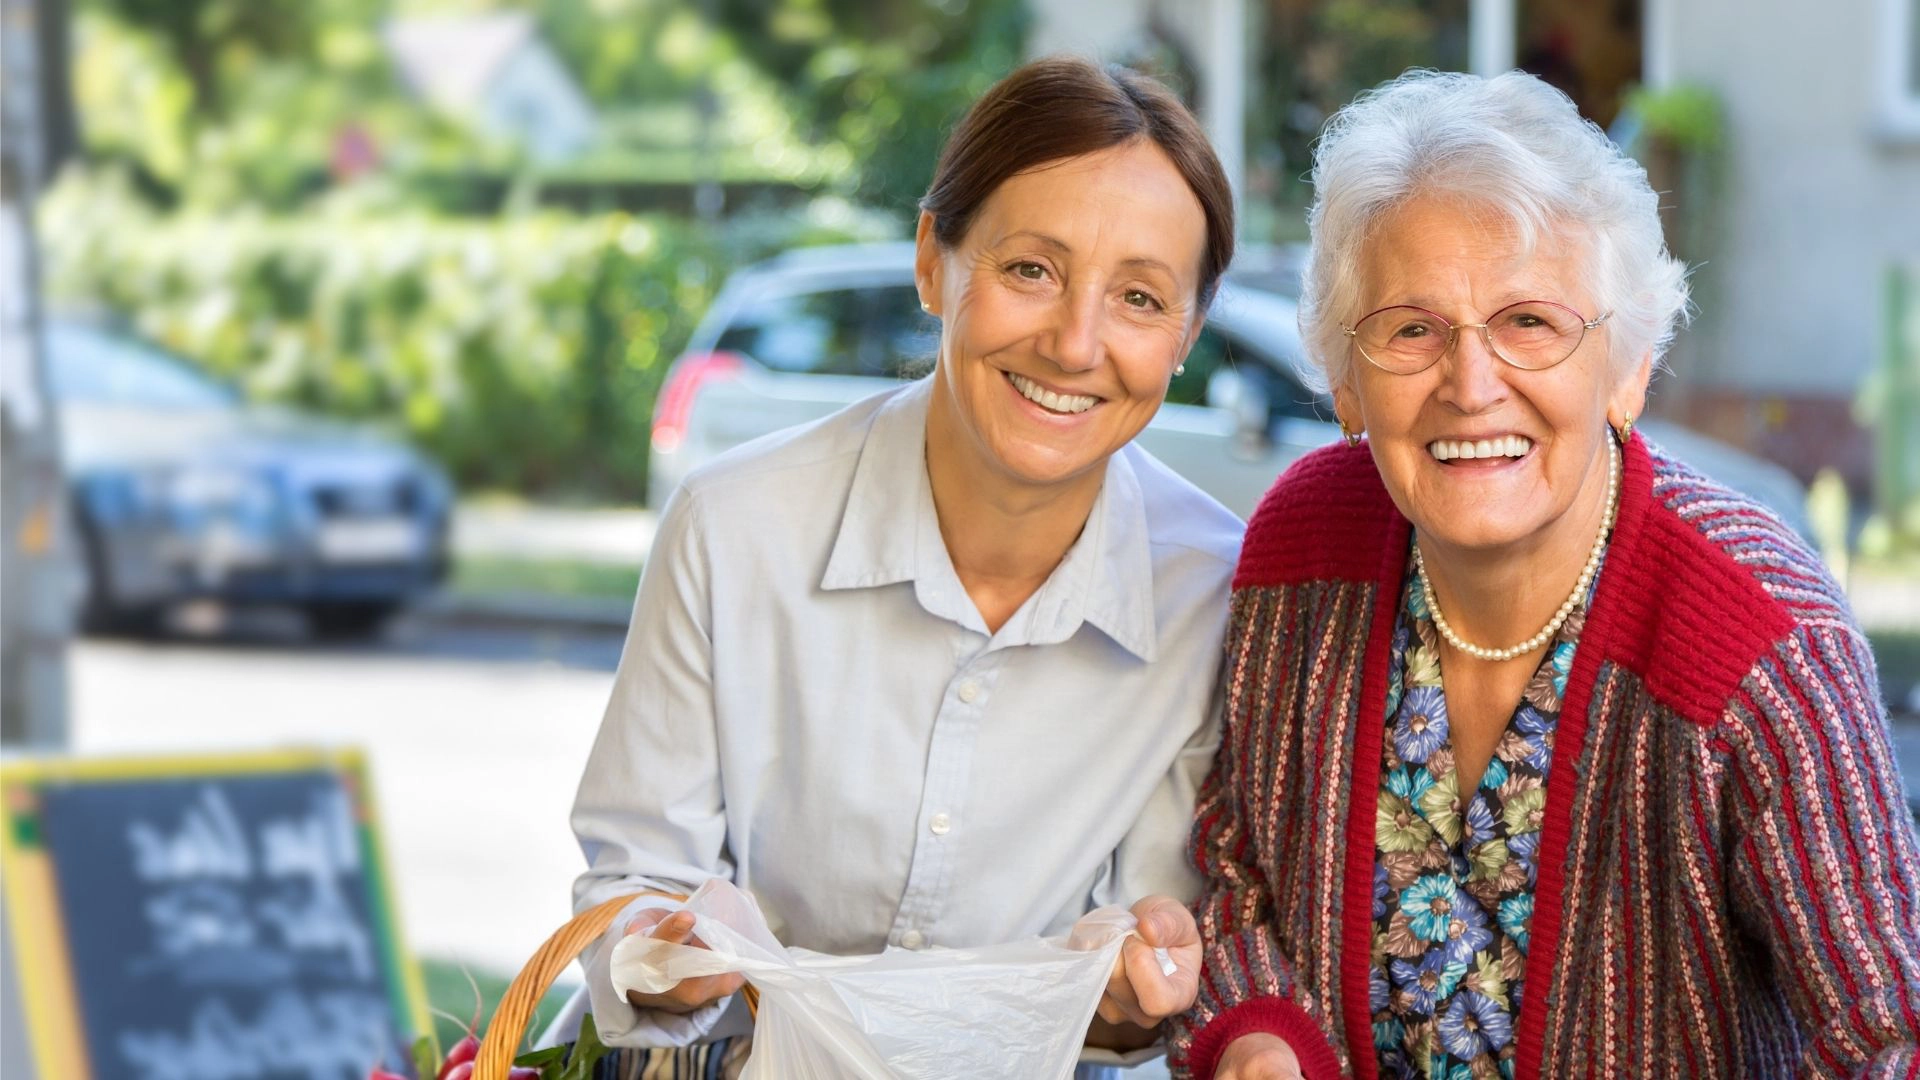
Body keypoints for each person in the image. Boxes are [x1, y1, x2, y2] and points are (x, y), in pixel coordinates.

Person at [1173, 70, 1920, 1079]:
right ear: (1347, 383)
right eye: (1411, 328)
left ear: (1626, 370)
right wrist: (1263, 1041)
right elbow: (1238, 877)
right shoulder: (1307, 552)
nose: (1471, 384)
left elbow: (1888, 1032)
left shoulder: (1761, 632)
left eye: (1531, 322)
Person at [555, 56, 1241, 1077]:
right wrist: (672, 949)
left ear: (1185, 334)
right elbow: (632, 899)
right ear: (934, 262)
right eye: (1031, 271)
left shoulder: (1212, 590)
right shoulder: (734, 526)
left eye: (1139, 297)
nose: (1075, 342)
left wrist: (1139, 987)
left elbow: (1138, 971)